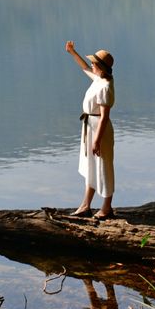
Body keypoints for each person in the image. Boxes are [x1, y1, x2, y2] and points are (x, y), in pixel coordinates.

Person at [65, 40, 115, 219]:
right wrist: (72, 52)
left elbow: (104, 117)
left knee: (104, 167)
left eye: (94, 63)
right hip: (90, 128)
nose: (91, 65)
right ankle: (86, 205)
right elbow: (84, 67)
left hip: (99, 130)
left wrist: (97, 140)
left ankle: (107, 208)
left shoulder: (106, 87)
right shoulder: (99, 79)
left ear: (101, 67)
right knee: (91, 167)